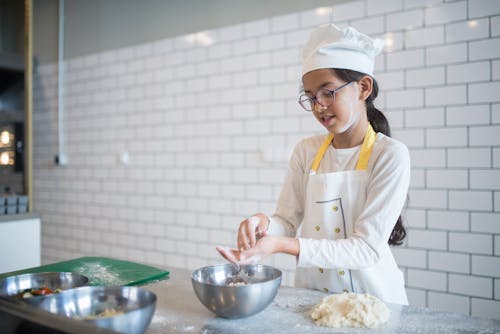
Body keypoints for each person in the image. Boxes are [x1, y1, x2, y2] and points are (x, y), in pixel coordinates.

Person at [217, 24, 410, 305]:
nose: (318, 106)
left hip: (374, 304)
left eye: (328, 92)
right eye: (310, 96)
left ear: (363, 88)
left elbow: (366, 249)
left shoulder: (390, 155)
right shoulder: (306, 151)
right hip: (312, 300)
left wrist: (283, 245)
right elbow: (287, 221)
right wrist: (264, 224)